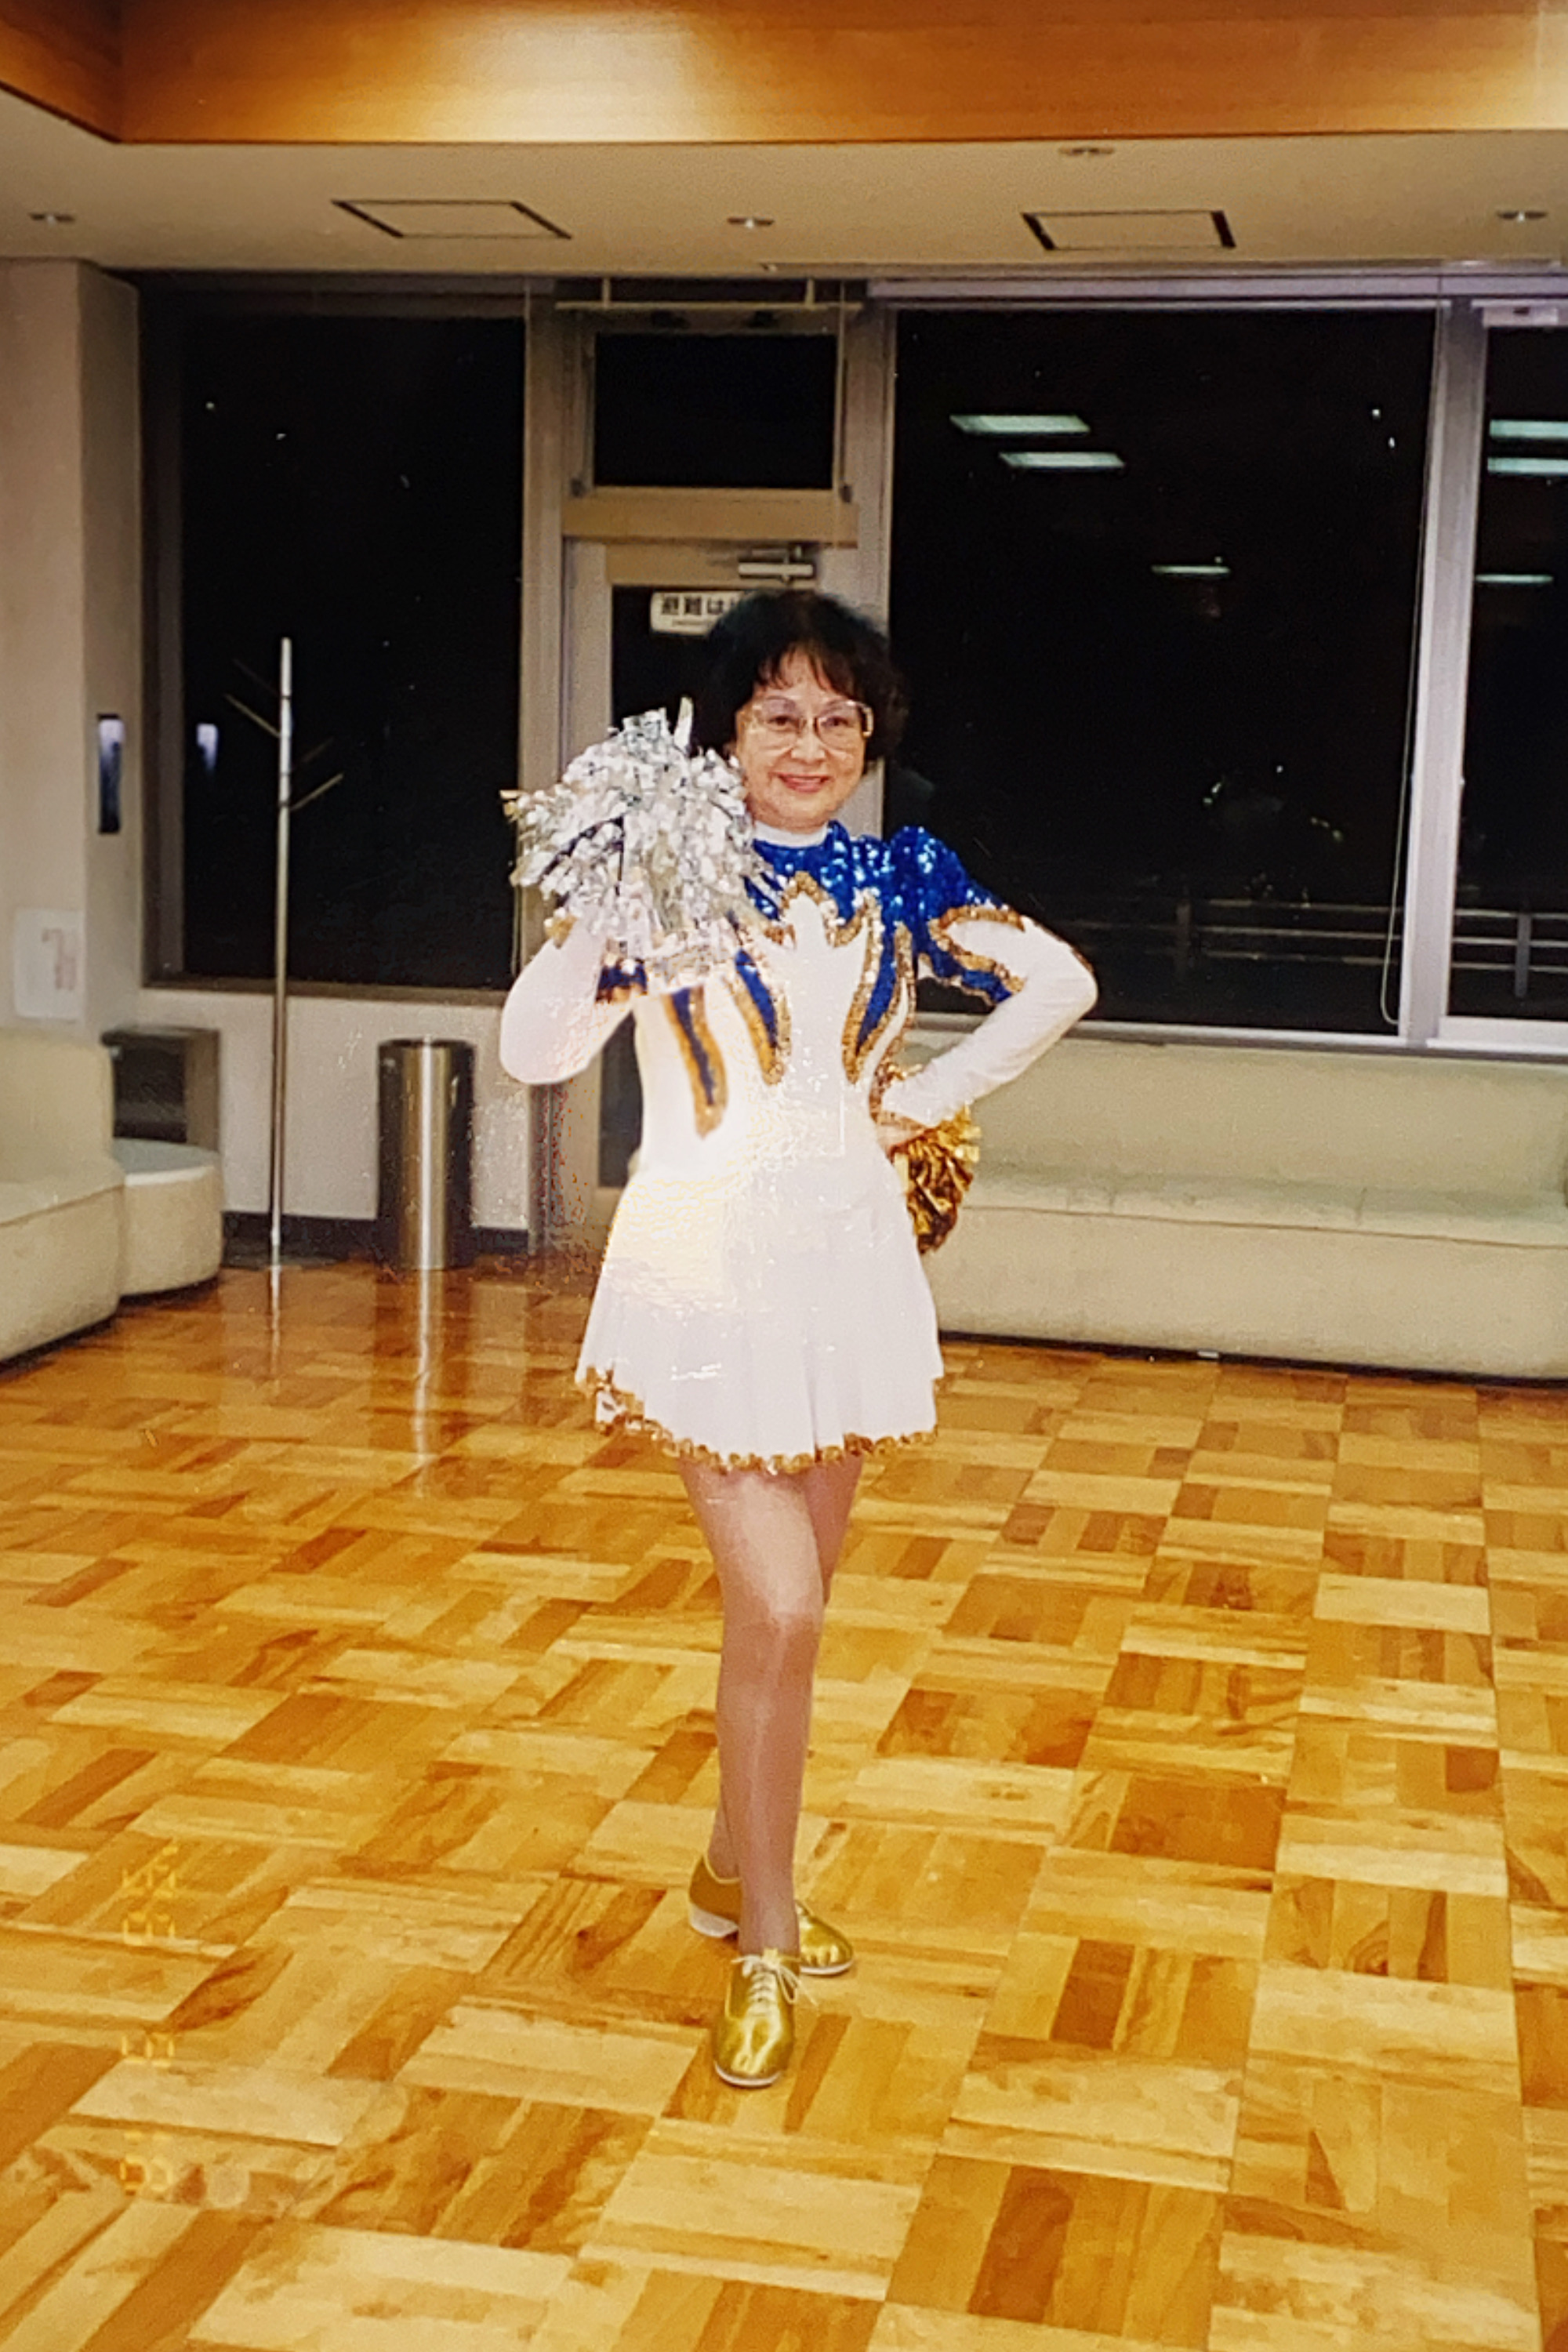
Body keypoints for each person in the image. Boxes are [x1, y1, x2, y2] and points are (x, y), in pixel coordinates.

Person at [499, 591, 1096, 2089]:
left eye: (841, 717)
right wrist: (611, 900)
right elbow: (532, 1049)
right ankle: (764, 1940)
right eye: (780, 713)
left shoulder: (903, 878)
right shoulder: (674, 877)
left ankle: (722, 1868)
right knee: (781, 1611)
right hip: (704, 1270)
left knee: (797, 1605)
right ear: (729, 732)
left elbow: (1061, 982)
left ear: (871, 734)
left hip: (850, 1270)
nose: (813, 743)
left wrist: (918, 1096)